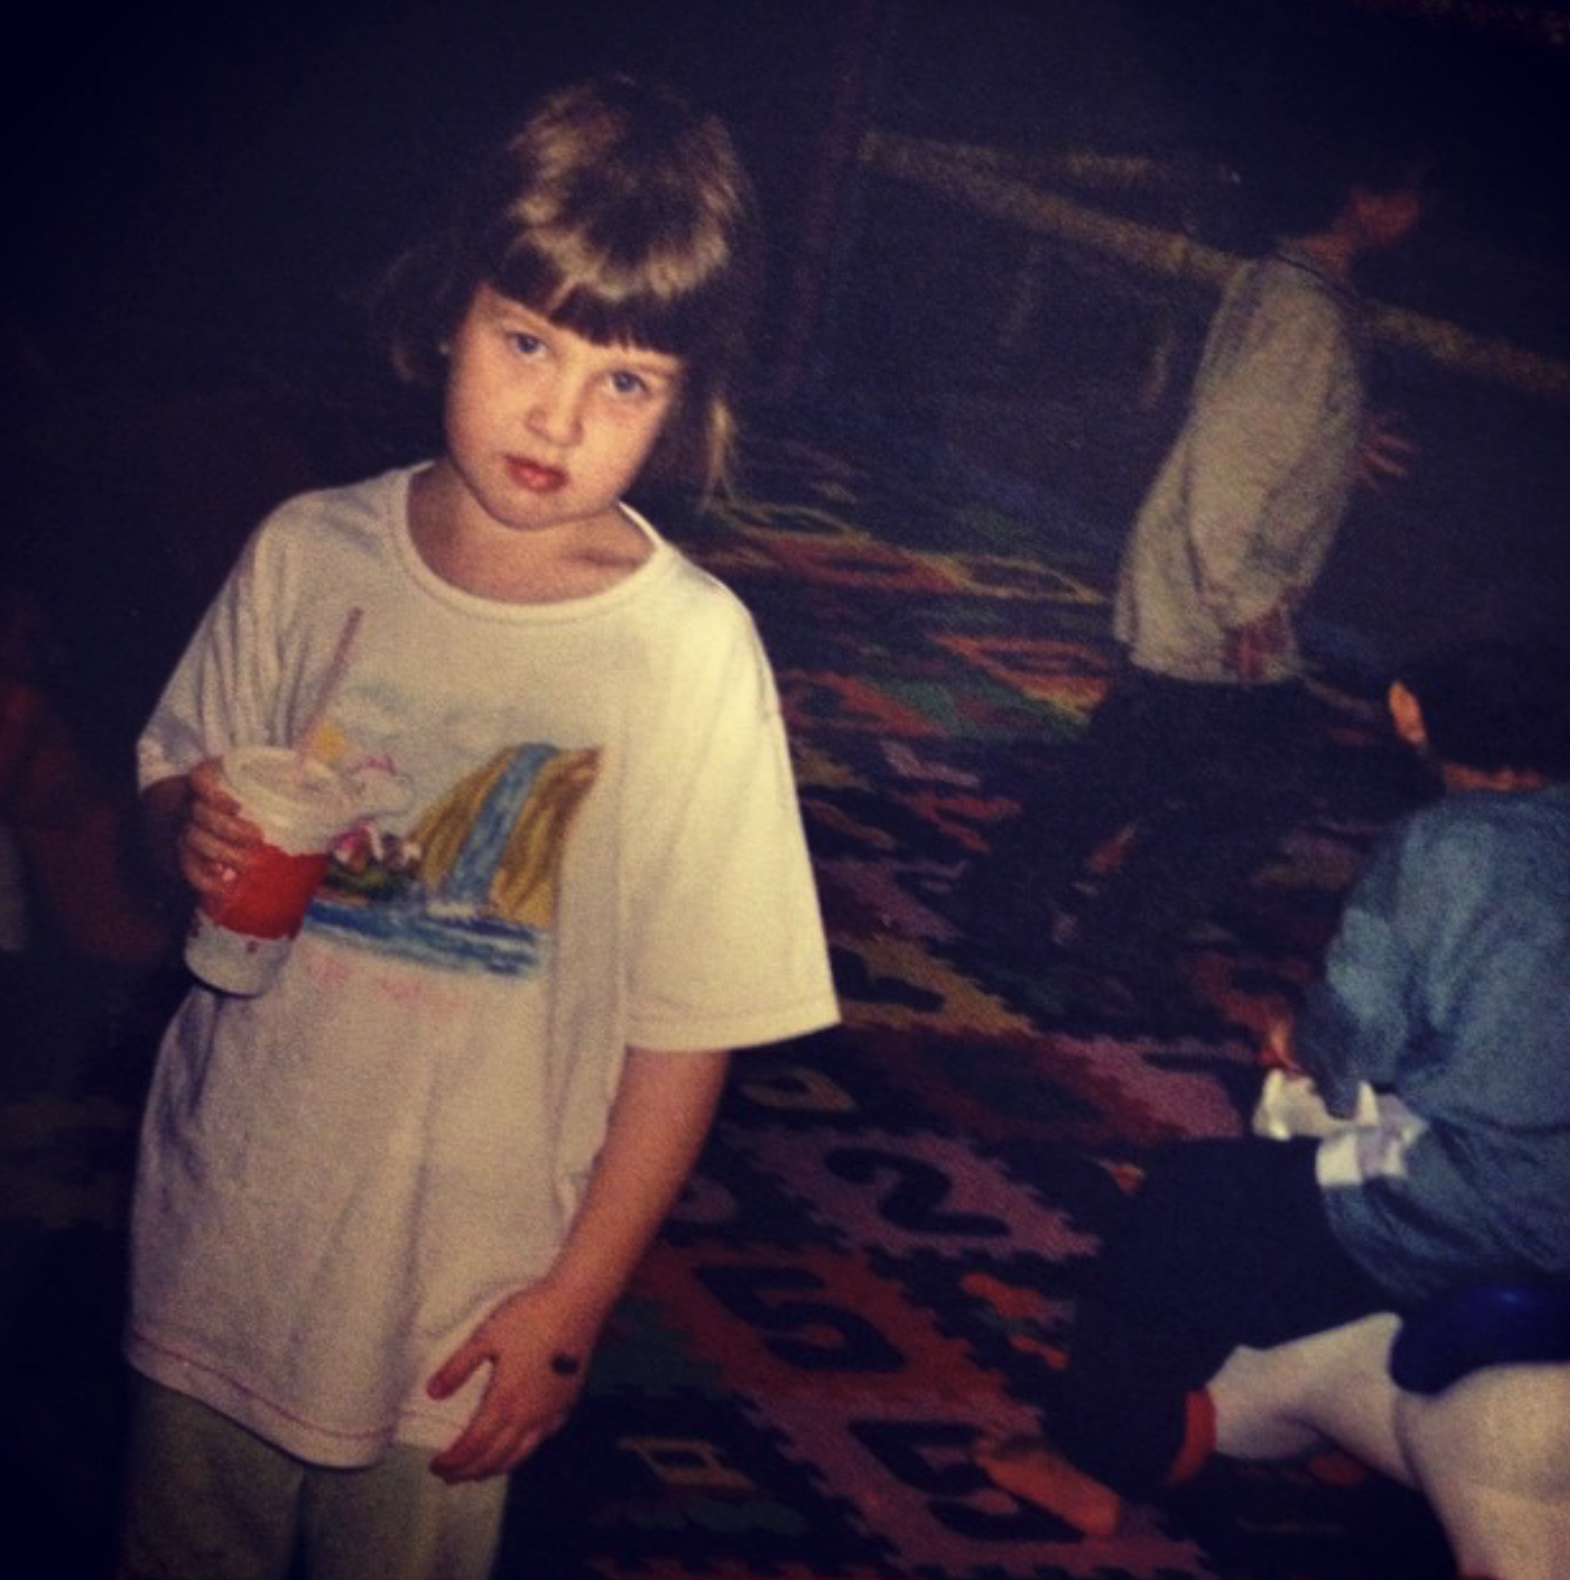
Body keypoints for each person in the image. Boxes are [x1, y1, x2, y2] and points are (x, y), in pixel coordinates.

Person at [115, 74, 839, 1580]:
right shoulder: (307, 552)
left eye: (624, 381)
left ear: (688, 403)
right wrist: (185, 829)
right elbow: (170, 790)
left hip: (464, 1304)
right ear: (448, 314)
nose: (558, 417)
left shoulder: (688, 655)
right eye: (528, 342)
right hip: (224, 1237)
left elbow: (687, 1026)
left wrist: (572, 1310)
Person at [974, 637, 1570, 1542]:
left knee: (1194, 1196)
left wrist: (1302, 1035)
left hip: (1490, 1197)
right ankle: (1280, 1393)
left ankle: (1096, 1457)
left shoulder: (1441, 845)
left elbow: (1359, 1037)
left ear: (1407, 710)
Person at [970, 119, 1431, 1016]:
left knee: (1134, 758)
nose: (1422, 210)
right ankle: (1121, 944)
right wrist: (1247, 600)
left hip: (1194, 579)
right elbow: (1229, 467)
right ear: (1363, 198)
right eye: (1412, 189)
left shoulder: (1282, 281)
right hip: (1218, 594)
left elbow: (1257, 421)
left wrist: (1343, 442)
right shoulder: (1305, 317)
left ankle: (1004, 898)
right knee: (1263, 783)